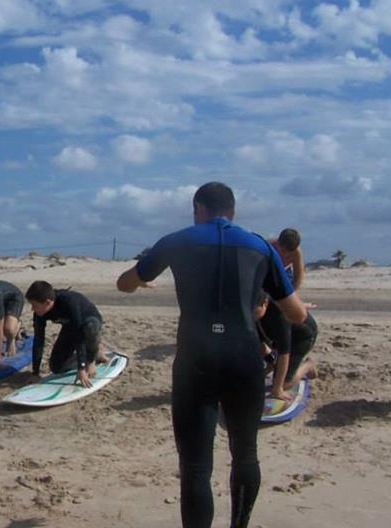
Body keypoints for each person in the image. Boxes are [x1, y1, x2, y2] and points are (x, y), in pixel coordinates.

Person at [116, 182, 306, 528]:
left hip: (195, 363)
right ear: (232, 211)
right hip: (244, 360)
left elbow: (124, 284)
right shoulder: (260, 246)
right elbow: (297, 315)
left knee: (196, 466)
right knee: (245, 453)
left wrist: (140, 279)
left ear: (198, 209)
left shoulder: (176, 241)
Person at [25, 280, 107, 388]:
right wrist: (35, 372)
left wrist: (82, 367)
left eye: (34, 305)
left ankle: (92, 356)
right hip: (71, 326)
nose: (32, 309)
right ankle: (92, 354)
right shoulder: (39, 313)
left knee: (89, 327)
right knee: (57, 367)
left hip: (90, 321)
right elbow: (39, 340)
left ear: (48, 302)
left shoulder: (68, 302)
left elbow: (79, 335)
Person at [254, 290, 319, 401]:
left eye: (253, 312)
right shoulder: (252, 311)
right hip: (273, 334)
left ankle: (308, 366)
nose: (249, 315)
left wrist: (278, 389)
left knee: (284, 384)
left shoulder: (279, 315)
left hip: (301, 338)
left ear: (265, 303)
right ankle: (272, 364)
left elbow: (284, 353)